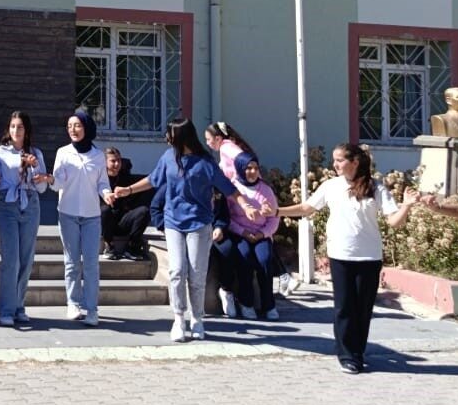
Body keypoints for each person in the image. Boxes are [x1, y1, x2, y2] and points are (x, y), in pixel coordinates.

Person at [279, 143, 416, 373]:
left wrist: (407, 206)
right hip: (340, 255)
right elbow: (307, 208)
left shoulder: (375, 187)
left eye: (340, 160)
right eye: (334, 160)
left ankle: (357, 352)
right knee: (344, 307)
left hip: (369, 257)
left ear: (355, 162)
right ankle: (347, 355)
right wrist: (277, 211)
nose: (335, 164)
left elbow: (394, 221)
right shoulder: (331, 186)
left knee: (362, 308)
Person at [117, 118, 240, 343]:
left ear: (182, 136)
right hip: (173, 222)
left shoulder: (205, 162)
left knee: (196, 274)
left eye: (170, 134)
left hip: (199, 223)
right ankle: (178, 319)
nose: (167, 138)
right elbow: (153, 179)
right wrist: (128, 190)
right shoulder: (168, 157)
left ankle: (197, 319)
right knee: (176, 271)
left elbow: (228, 188)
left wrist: (248, 206)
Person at [0, 110, 50, 330]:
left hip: (30, 203)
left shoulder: (36, 153)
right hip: (8, 203)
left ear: (27, 130)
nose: (16, 130)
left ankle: (18, 306)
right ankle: (6, 309)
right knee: (10, 259)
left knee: (26, 259)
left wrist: (35, 167)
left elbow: (42, 188)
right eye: (13, 126)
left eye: (20, 127)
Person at [214, 152, 282, 321]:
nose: (252, 172)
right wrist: (243, 232)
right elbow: (228, 217)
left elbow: (274, 218)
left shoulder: (266, 190)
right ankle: (246, 303)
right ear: (240, 169)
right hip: (240, 233)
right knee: (244, 257)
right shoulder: (232, 188)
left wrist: (262, 233)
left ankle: (269, 305)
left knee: (264, 259)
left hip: (261, 233)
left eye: (256, 168)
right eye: (248, 168)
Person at [51, 110, 105, 325]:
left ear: (87, 128)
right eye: (69, 126)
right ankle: (73, 303)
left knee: (91, 264)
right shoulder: (63, 153)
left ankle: (91, 309)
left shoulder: (98, 155)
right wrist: (50, 179)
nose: (73, 130)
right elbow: (57, 183)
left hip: (92, 216)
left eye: (77, 125)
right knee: (72, 263)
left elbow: (102, 183)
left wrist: (107, 194)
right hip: (68, 213)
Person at [100, 146, 152, 260]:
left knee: (143, 211)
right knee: (105, 210)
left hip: (122, 220)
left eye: (119, 160)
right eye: (113, 161)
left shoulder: (125, 177)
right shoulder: (99, 179)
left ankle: (132, 247)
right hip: (104, 223)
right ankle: (109, 245)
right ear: (105, 162)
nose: (117, 164)